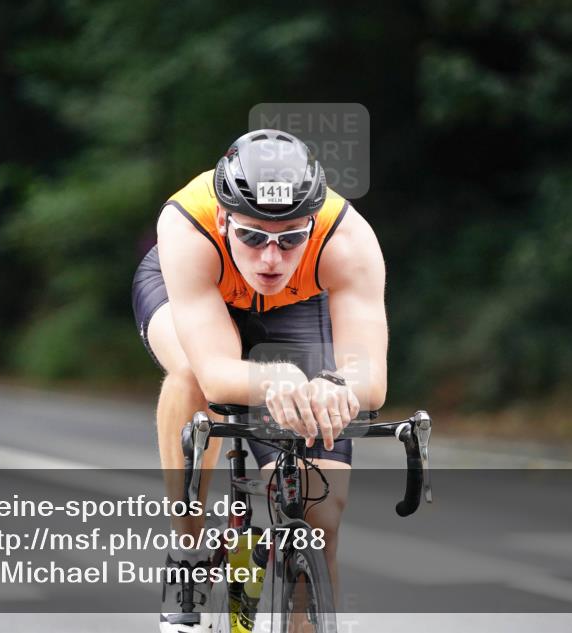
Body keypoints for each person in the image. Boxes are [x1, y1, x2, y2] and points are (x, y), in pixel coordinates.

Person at [132, 129, 387, 632]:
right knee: (189, 376)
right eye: (252, 236)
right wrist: (277, 380)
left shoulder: (348, 240)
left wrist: (334, 388)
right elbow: (216, 373)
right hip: (201, 286)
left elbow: (370, 378)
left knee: (320, 523)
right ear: (226, 219)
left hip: (299, 305)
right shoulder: (189, 224)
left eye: (290, 239)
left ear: (312, 227)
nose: (270, 258)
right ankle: (187, 554)